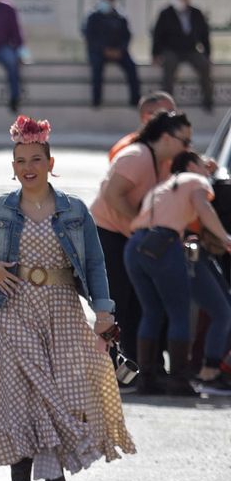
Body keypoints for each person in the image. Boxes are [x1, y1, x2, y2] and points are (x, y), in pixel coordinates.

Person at [0, 116, 134, 481]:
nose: (28, 167)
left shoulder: (74, 210)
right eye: (21, 160)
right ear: (12, 167)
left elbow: (94, 264)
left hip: (61, 310)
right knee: (19, 397)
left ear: (50, 162)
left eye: (36, 159)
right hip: (13, 309)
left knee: (60, 391)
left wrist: (104, 312)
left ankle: (54, 463)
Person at [125, 149, 231, 395]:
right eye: (202, 163)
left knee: (151, 312)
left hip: (136, 245)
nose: (208, 168)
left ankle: (147, 378)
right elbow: (203, 207)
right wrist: (225, 237)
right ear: (191, 165)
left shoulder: (164, 187)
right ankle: (179, 379)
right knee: (179, 313)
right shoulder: (195, 180)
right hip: (164, 244)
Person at [91, 109, 192, 365]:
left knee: (139, 305)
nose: (188, 147)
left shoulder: (164, 162)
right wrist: (140, 224)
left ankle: (140, 367)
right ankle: (111, 370)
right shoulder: (137, 156)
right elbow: (111, 195)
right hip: (109, 236)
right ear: (167, 138)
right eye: (185, 141)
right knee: (119, 306)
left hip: (130, 237)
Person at [152, 0, 214, 110]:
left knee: (204, 65)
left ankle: (208, 100)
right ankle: (167, 105)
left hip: (191, 49)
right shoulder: (166, 14)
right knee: (168, 67)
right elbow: (157, 35)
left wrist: (208, 54)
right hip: (172, 49)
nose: (183, 0)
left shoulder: (196, 13)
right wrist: (155, 54)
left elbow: (204, 35)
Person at [84, 0, 140, 108]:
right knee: (97, 68)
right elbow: (90, 37)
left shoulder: (121, 17)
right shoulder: (93, 17)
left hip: (119, 52)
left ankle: (135, 100)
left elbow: (127, 36)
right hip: (99, 52)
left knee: (132, 67)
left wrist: (120, 50)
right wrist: (104, 49)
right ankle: (96, 100)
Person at [109, 91, 175, 161]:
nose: (174, 117)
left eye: (174, 112)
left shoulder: (177, 144)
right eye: (168, 113)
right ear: (147, 117)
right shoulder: (126, 149)